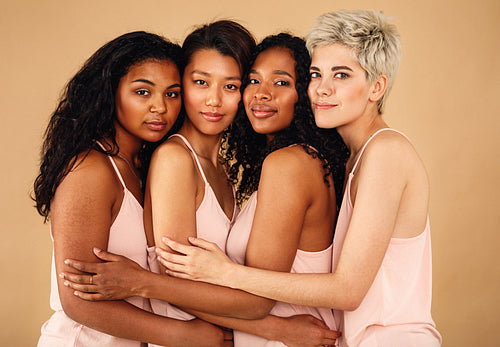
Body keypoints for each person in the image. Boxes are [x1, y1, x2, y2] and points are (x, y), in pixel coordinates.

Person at [154, 10, 443, 346]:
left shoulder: (386, 151)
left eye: (342, 75)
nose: (322, 89)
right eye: (317, 75)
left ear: (376, 87)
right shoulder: (350, 159)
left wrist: (225, 273)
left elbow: (347, 290)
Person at [60, 32, 346, 347]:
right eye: (200, 83)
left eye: (231, 86)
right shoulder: (172, 159)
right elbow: (173, 282)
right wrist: (274, 328)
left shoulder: (224, 168)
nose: (214, 100)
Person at [33, 31, 231, 346]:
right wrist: (182, 334)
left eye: (172, 93)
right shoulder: (90, 169)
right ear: (111, 93)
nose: (160, 108)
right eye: (143, 92)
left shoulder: (142, 165)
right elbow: (77, 299)